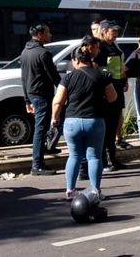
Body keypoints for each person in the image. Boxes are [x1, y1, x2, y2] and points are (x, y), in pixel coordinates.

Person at [52, 37, 117, 201]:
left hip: (72, 121)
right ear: (90, 59)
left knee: (74, 155)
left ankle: (70, 190)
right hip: (94, 121)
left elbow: (58, 101)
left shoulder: (67, 78)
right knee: (94, 156)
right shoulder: (101, 75)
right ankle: (95, 191)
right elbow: (113, 97)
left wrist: (54, 118)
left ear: (75, 60)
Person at [20, 23, 61, 176]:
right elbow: (54, 76)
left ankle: (44, 153)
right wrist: (65, 90)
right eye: (48, 32)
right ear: (40, 34)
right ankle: (37, 165)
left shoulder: (25, 51)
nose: (50, 35)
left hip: (32, 94)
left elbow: (23, 78)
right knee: (41, 129)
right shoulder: (43, 53)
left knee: (42, 128)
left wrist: (27, 99)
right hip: (42, 95)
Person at [94, 20, 128, 171]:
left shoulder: (114, 45)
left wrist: (124, 79)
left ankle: (112, 158)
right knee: (106, 127)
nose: (116, 34)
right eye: (113, 31)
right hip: (107, 92)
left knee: (113, 126)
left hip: (118, 89)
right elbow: (96, 68)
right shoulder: (99, 47)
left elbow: (119, 66)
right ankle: (104, 160)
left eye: (116, 31)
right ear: (104, 31)